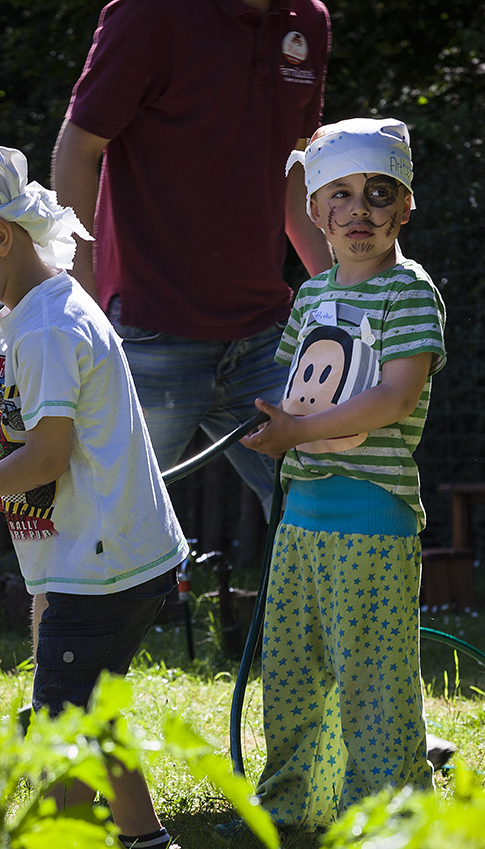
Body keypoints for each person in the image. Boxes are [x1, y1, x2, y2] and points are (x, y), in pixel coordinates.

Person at [0, 142, 188, 849]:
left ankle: (61, 837)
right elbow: (14, 421)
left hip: (102, 565)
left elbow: (48, 455)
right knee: (93, 708)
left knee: (60, 727)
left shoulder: (50, 326)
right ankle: (146, 840)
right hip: (102, 557)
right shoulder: (25, 312)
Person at [233, 118, 445, 833]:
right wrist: (276, 427)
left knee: (372, 683)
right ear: (316, 213)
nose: (360, 210)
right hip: (303, 518)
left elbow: (394, 397)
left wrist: (294, 432)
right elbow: (299, 392)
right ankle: (294, 804)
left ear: (405, 207)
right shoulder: (310, 297)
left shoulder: (409, 293)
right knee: (291, 678)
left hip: (372, 518)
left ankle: (385, 813)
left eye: (379, 194)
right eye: (341, 195)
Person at [51, 0, 334, 512]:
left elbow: (296, 171)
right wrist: (84, 310)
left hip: (267, 338)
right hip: (147, 335)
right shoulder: (149, 14)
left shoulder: (307, 20)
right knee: (100, 531)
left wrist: (346, 296)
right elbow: (78, 148)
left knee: (323, 516)